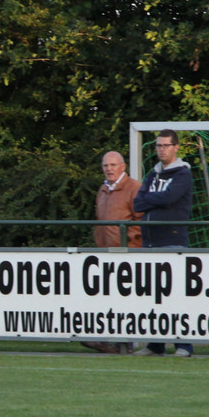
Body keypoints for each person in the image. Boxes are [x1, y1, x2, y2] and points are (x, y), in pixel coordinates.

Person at [133, 129, 194, 358]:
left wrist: (152, 199)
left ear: (176, 147)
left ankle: (183, 345)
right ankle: (155, 345)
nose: (161, 149)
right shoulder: (153, 174)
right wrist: (156, 200)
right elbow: (137, 203)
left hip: (172, 241)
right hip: (150, 242)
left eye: (166, 145)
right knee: (153, 296)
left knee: (174, 295)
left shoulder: (183, 174)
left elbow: (169, 198)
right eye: (158, 145)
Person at [82, 150, 142, 354]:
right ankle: (107, 340)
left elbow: (141, 221)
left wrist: (128, 241)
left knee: (127, 299)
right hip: (106, 254)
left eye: (113, 165)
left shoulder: (134, 188)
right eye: (106, 165)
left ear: (123, 166)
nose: (109, 169)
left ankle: (126, 343)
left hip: (128, 254)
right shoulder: (103, 189)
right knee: (106, 296)